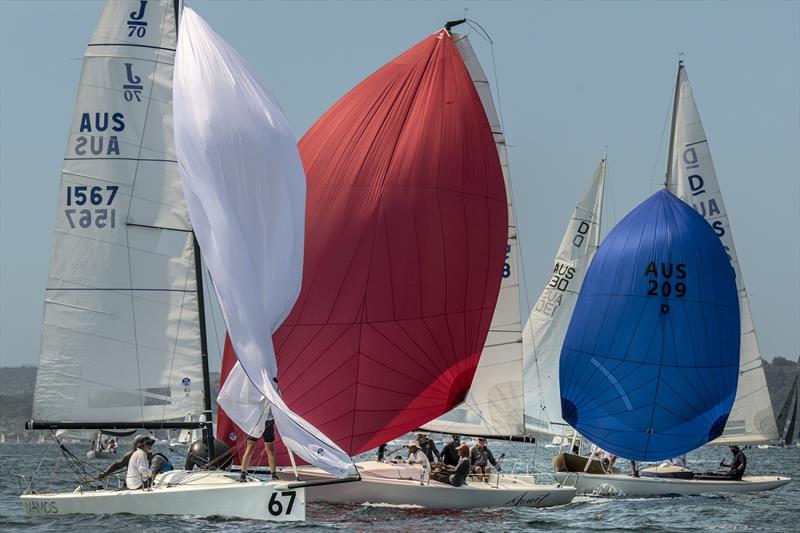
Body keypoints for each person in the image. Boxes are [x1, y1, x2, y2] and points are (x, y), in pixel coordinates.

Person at [240, 405, 277, 482]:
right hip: (256, 421)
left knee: (270, 449)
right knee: (250, 447)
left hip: (268, 421)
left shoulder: (277, 392)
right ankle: (243, 475)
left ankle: (274, 475)